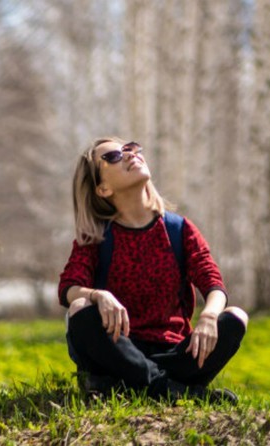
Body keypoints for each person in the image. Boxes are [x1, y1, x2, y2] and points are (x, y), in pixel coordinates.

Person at [58, 136, 249, 404]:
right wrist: (98, 295)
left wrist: (208, 316)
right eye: (113, 156)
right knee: (80, 308)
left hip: (176, 355)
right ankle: (175, 391)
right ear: (102, 189)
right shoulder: (96, 236)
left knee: (235, 317)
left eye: (131, 148)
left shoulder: (179, 230)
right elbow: (68, 288)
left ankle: (133, 386)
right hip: (119, 350)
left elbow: (213, 283)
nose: (129, 155)